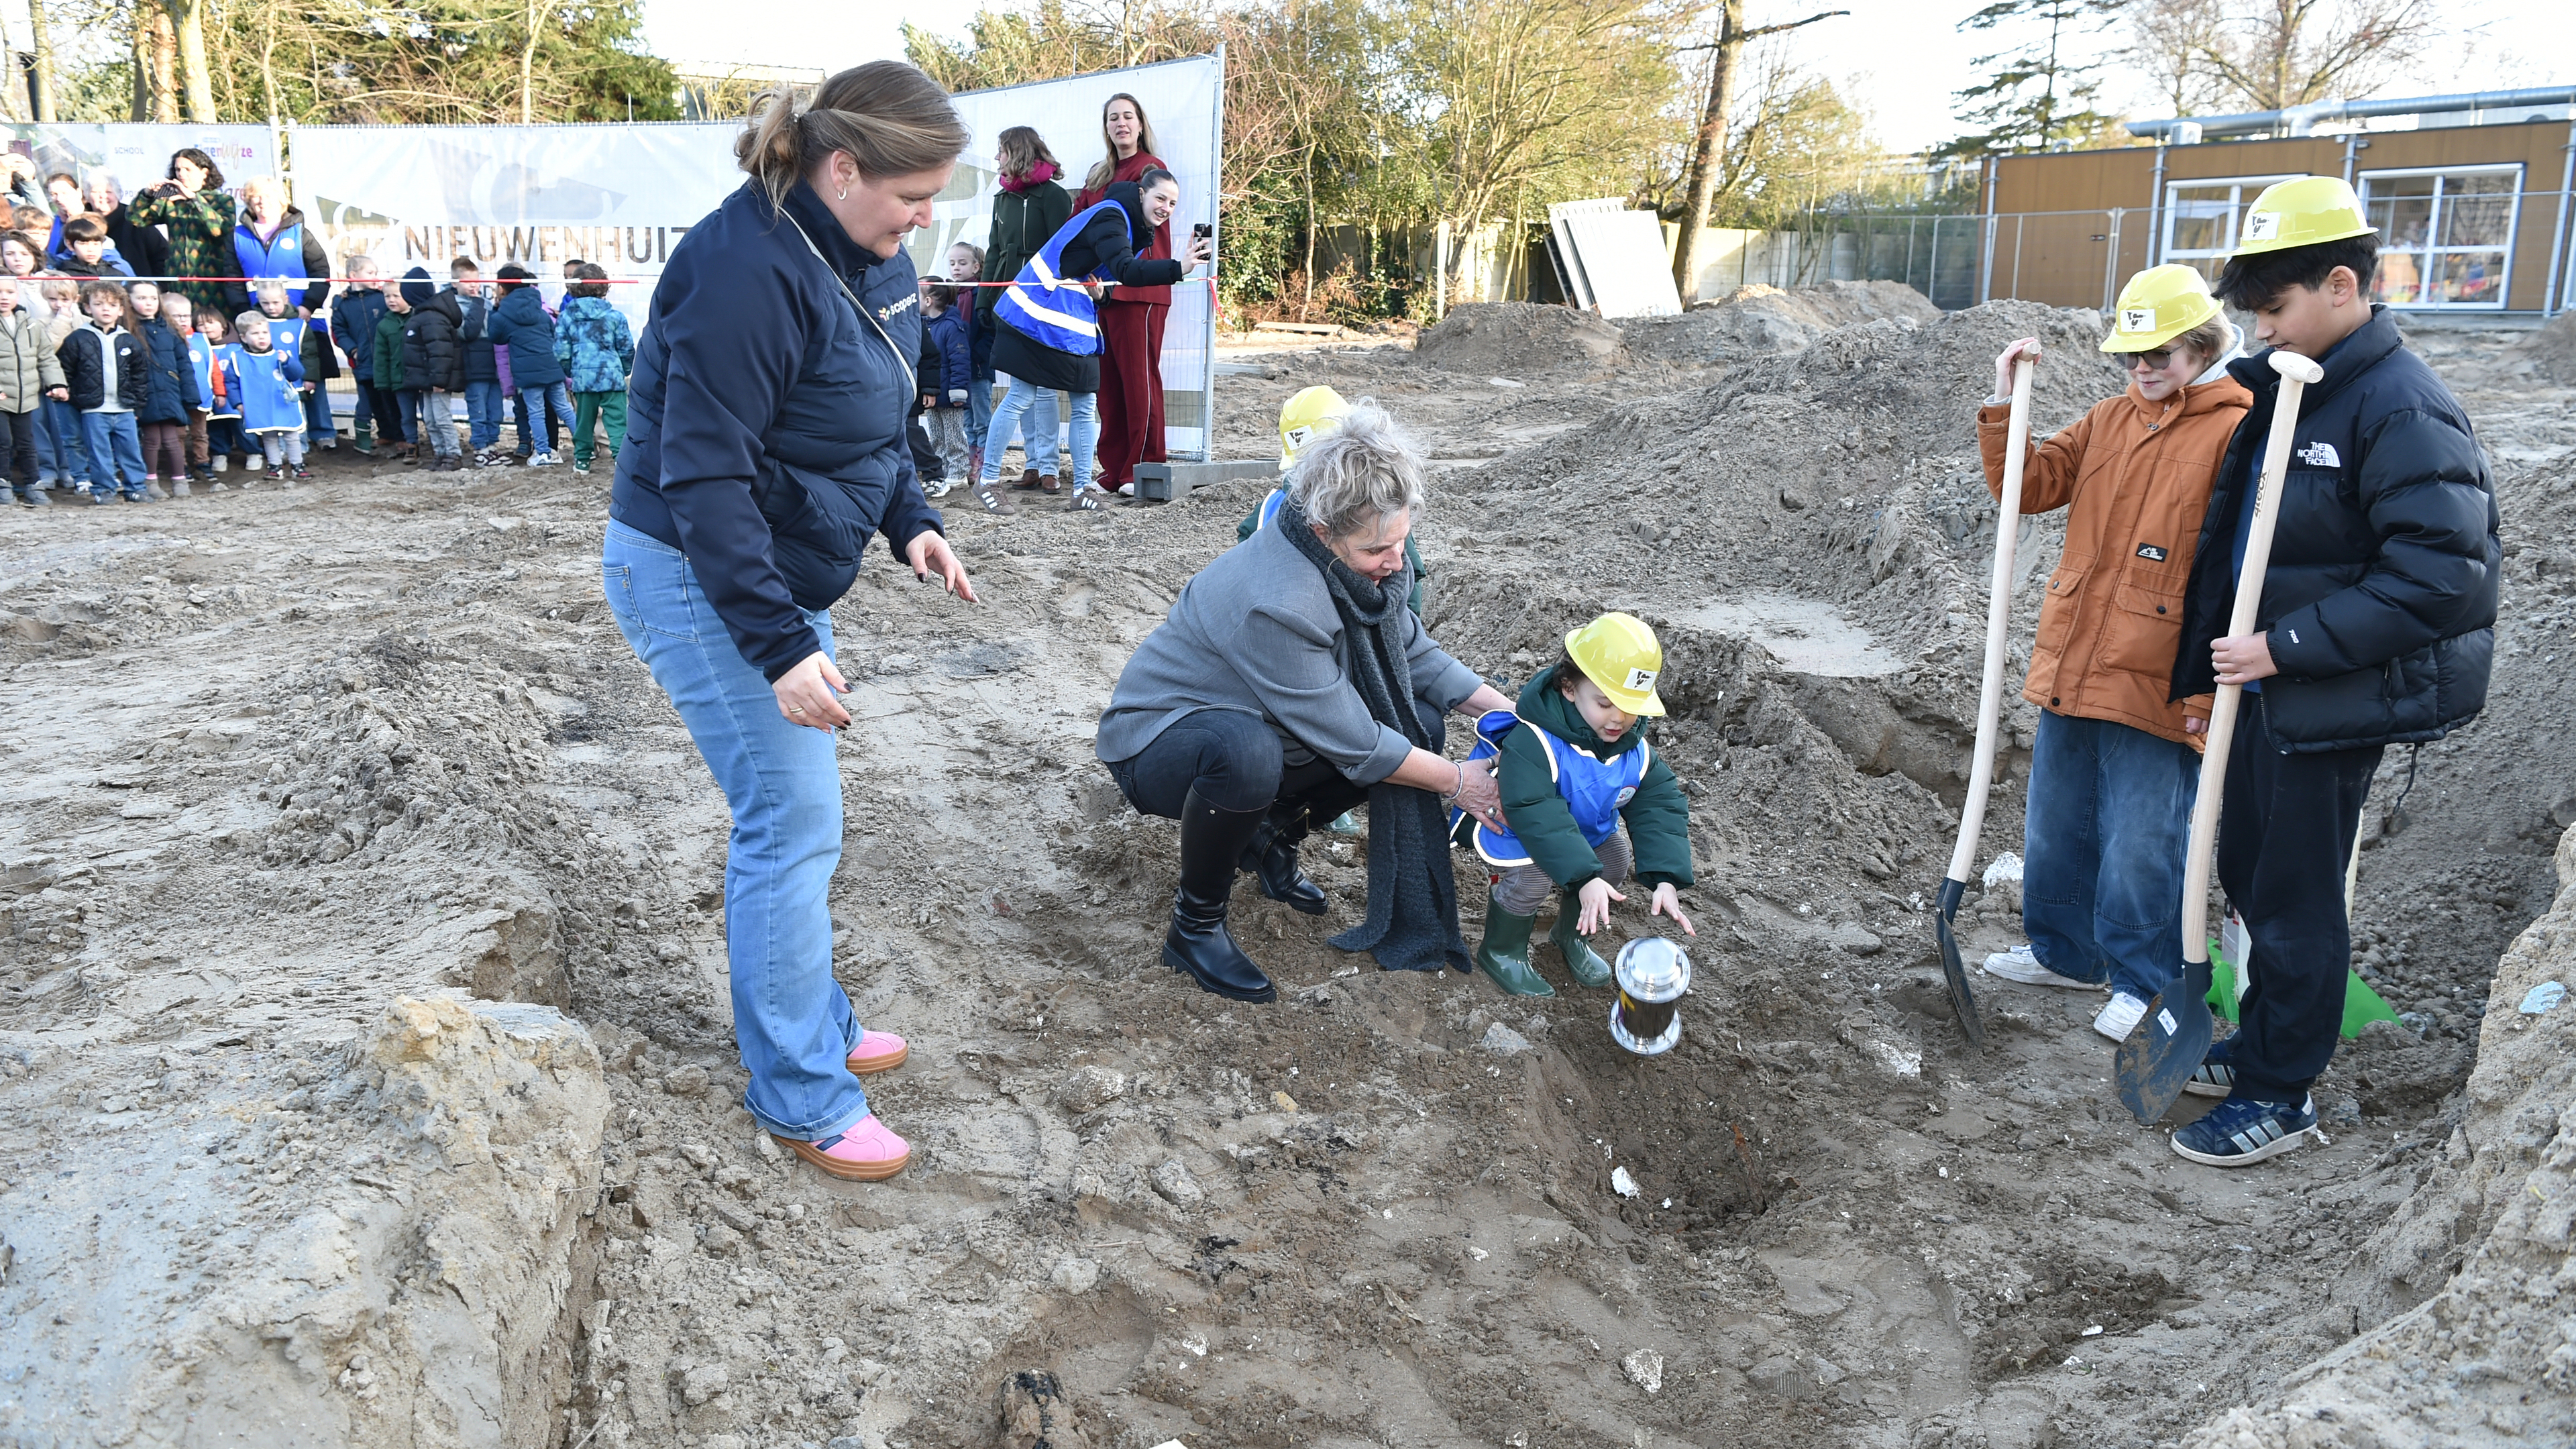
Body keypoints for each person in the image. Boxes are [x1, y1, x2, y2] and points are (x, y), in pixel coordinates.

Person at [603, 60, 978, 1183]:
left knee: (804, 816)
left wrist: (910, 518)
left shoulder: (872, 252)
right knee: (790, 821)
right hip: (698, 573)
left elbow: (873, 412)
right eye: (913, 197)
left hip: (779, 563)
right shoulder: (742, 274)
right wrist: (780, 648)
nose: (925, 221)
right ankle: (802, 1093)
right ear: (842, 166)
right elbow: (704, 480)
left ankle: (814, 1019)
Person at [2165, 176, 2500, 1169]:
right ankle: (2258, 1044)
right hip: (2266, 689)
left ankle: (2282, 1093)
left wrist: (2284, 648)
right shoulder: (2292, 386)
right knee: (2250, 875)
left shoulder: (2401, 407)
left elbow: (2443, 577)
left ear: (2342, 285)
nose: (2260, 331)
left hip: (2331, 692)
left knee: (2296, 896)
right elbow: (2248, 545)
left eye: (2274, 308)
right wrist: (2217, 672)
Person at [1095, 402, 1513, 1002]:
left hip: (1259, 719)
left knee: (1418, 722)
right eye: (1379, 550)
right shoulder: (1282, 601)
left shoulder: (1354, 566)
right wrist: (1458, 783)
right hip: (1159, 742)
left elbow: (1416, 655)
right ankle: (1195, 927)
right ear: (1324, 532)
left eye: (1403, 541)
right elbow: (1357, 743)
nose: (1397, 563)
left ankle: (1269, 838)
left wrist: (1515, 719)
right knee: (1248, 755)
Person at [1972, 264, 2249, 1044]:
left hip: (2163, 675)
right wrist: (2005, 402)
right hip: (2077, 658)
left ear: (2202, 346)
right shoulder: (2110, 418)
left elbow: (2240, 571)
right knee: (2056, 825)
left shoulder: (2237, 430)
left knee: (2143, 842)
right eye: (2132, 355)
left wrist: (2208, 691)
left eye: (2160, 353)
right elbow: (2028, 486)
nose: (2143, 368)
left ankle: (2145, 983)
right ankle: (2067, 954)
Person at [1452, 614, 1697, 997]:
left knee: (1614, 858)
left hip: (1576, 829)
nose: (1619, 719)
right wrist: (1583, 878)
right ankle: (1502, 951)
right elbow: (1536, 810)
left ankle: (1571, 935)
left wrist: (1666, 875)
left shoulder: (1635, 750)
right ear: (1569, 688)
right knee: (1532, 879)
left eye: (1631, 707)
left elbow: (1660, 806)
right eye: (1605, 703)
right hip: (1519, 829)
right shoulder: (1535, 741)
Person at [979, 165, 1210, 513]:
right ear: (1141, 194)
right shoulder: (1112, 217)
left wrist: (1102, 294)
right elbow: (1126, 271)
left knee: (1085, 403)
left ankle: (1083, 488)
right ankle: (988, 481)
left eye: (1173, 203)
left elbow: (1104, 275)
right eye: (1161, 198)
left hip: (1071, 318)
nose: (1166, 208)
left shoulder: (1131, 226)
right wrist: (1180, 267)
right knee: (1022, 396)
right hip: (1035, 312)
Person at [1077, 93, 1178, 498]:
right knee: (1110, 388)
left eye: (1128, 116)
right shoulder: (1098, 176)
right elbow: (1079, 226)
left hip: (1140, 292)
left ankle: (1145, 467)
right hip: (1101, 293)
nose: (1121, 123)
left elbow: (1148, 228)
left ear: (1140, 125)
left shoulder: (1152, 170)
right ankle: (1115, 469)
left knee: (1140, 382)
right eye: (1113, 117)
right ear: (1106, 127)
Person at [977, 127, 1069, 495]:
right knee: (1019, 385)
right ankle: (1031, 465)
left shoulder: (1054, 195)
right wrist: (985, 300)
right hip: (1008, 299)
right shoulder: (1002, 198)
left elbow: (1062, 250)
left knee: (1043, 387)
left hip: (1043, 297)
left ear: (1017, 152)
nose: (997, 158)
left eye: (1001, 151)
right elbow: (994, 250)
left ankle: (1050, 467)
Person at [58, 282, 150, 502]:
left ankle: (136, 488)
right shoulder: (77, 338)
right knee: (99, 452)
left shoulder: (130, 341)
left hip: (125, 408)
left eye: (112, 305)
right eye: (99, 304)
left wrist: (137, 406)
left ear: (121, 310)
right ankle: (104, 490)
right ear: (88, 308)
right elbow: (64, 370)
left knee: (131, 450)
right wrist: (73, 397)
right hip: (94, 409)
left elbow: (140, 376)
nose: (105, 309)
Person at [126, 149, 237, 319]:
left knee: (212, 327)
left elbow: (220, 229)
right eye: (178, 170)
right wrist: (147, 195)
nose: (181, 174)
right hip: (178, 281)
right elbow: (136, 219)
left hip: (211, 282)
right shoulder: (170, 201)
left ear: (204, 172)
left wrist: (194, 199)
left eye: (188, 169)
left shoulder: (222, 200)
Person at [555, 262, 632, 473]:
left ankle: (582, 462)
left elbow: (561, 352)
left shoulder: (566, 317)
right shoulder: (615, 317)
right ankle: (622, 461)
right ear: (604, 287)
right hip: (612, 377)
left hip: (583, 379)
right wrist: (624, 370)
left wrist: (571, 371)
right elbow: (626, 348)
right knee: (618, 421)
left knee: (584, 421)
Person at [491, 263, 570, 466]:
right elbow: (553, 335)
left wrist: (496, 309)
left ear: (502, 288)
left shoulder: (504, 315)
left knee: (536, 413)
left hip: (528, 374)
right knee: (565, 409)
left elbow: (496, 337)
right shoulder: (542, 311)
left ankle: (543, 453)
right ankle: (585, 447)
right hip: (552, 368)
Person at [0, 274, 68, 506]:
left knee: (27, 443)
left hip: (25, 397)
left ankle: (33, 484)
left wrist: (57, 383)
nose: (4, 297)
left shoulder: (31, 325)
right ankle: (3, 483)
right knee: (3, 441)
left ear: (17, 295)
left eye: (9, 292)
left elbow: (46, 357)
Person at [130, 282, 203, 498]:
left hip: (170, 392)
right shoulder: (128, 331)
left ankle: (180, 481)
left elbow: (185, 366)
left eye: (153, 298)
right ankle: (151, 482)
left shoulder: (171, 331)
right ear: (129, 301)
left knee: (173, 440)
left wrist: (191, 397)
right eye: (141, 298)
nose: (148, 303)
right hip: (145, 394)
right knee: (151, 440)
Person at [396, 267, 465, 471]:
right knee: (430, 419)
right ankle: (440, 452)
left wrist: (438, 381)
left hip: (437, 380)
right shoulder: (423, 316)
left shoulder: (432, 318)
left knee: (441, 418)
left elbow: (440, 352)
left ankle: (453, 453)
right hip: (428, 380)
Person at [232, 309, 310, 483]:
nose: (261, 337)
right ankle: (275, 467)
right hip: (260, 406)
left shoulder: (280, 355)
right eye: (255, 334)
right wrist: (238, 404)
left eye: (265, 333)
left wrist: (288, 362)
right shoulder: (238, 358)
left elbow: (297, 374)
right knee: (269, 437)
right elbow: (231, 384)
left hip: (283, 402)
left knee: (292, 435)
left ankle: (298, 466)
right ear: (243, 337)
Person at [332, 254, 391, 456]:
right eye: (370, 272)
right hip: (362, 361)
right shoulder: (342, 304)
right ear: (353, 275)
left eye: (376, 273)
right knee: (367, 399)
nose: (376, 277)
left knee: (387, 398)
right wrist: (353, 350)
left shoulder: (382, 297)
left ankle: (390, 434)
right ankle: (362, 439)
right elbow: (339, 331)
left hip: (386, 359)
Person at [941, 242, 989, 480]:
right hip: (958, 370)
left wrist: (974, 356)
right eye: (952, 264)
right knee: (967, 418)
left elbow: (990, 333)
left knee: (982, 419)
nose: (956, 268)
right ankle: (971, 458)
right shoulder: (949, 296)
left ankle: (985, 462)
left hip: (978, 367)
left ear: (976, 267)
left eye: (962, 263)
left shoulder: (983, 294)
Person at [451, 258, 506, 464]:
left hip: (493, 364)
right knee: (478, 409)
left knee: (496, 410)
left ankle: (492, 446)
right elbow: (468, 332)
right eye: (467, 281)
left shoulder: (486, 303)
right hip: (473, 366)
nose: (474, 285)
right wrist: (477, 304)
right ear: (455, 282)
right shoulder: (455, 307)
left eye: (476, 280)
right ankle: (480, 447)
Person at [918, 281, 973, 484]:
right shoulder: (923, 325)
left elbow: (960, 360)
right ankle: (942, 470)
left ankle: (959, 471)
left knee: (953, 435)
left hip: (950, 394)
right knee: (937, 436)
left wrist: (958, 391)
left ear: (928, 301)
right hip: (932, 393)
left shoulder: (952, 327)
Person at [164, 292, 217, 488]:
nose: (182, 320)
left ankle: (203, 463)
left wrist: (219, 391)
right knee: (178, 435)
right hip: (175, 397)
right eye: (176, 316)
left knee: (200, 433)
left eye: (186, 315)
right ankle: (181, 466)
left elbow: (213, 368)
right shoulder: (164, 340)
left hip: (200, 396)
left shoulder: (201, 340)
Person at [87, 175, 169, 284]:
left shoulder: (135, 219)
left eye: (108, 192)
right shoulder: (82, 222)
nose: (103, 196)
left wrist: (158, 287)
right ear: (87, 196)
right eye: (96, 192)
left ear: (118, 195)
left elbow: (161, 255)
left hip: (138, 289)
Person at [197, 311, 245, 478]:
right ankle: (219, 453)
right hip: (210, 398)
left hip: (235, 398)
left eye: (211, 322)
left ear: (223, 326)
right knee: (215, 427)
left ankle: (253, 452)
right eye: (201, 324)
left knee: (241, 428)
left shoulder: (237, 348)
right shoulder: (199, 348)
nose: (206, 327)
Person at [375, 285, 419, 464]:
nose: (391, 300)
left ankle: (438, 446)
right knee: (406, 416)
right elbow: (381, 357)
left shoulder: (419, 318)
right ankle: (411, 445)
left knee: (431, 415)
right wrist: (382, 382)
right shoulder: (384, 325)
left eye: (396, 296)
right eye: (387, 296)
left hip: (422, 378)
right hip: (399, 379)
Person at [56, 215, 133, 278]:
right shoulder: (65, 277)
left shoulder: (117, 273)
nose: (91, 249)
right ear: (70, 245)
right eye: (83, 244)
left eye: (96, 244)